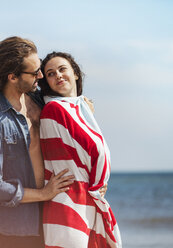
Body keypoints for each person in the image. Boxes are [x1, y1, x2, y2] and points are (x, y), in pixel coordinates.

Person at [0, 37, 75, 248]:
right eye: (35, 72)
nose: (41, 76)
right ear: (13, 77)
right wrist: (44, 193)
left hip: (53, 218)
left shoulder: (37, 99)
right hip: (18, 232)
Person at [38, 52, 122, 248]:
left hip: (88, 199)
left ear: (75, 73)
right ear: (47, 82)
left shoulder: (81, 110)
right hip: (68, 202)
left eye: (62, 69)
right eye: (50, 74)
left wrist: (98, 182)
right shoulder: (54, 110)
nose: (57, 75)